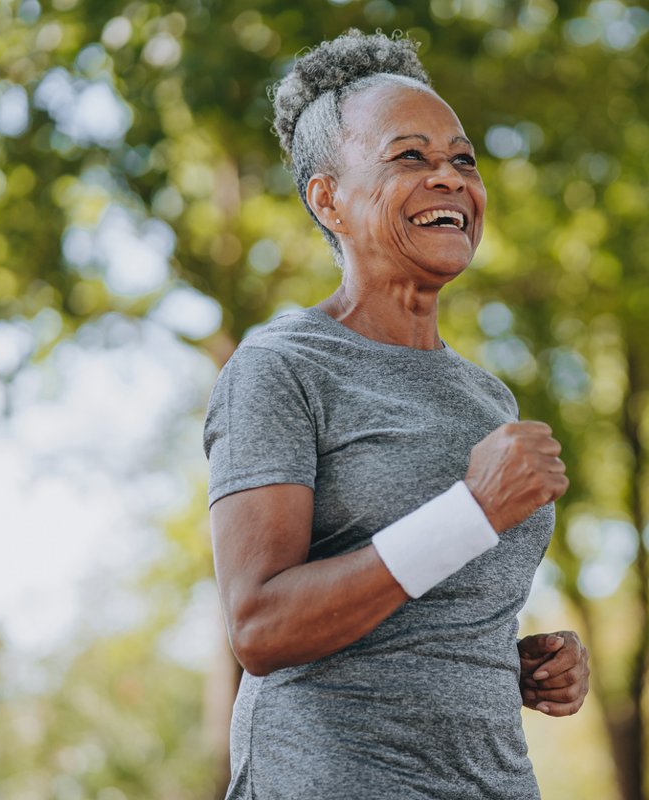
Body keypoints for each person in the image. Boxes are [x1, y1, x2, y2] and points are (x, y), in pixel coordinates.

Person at [203, 28, 590, 799]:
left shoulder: (487, 398)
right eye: (410, 157)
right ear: (329, 200)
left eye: (464, 160)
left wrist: (512, 664)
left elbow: (417, 604)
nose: (449, 178)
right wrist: (474, 511)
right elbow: (260, 627)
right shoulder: (281, 368)